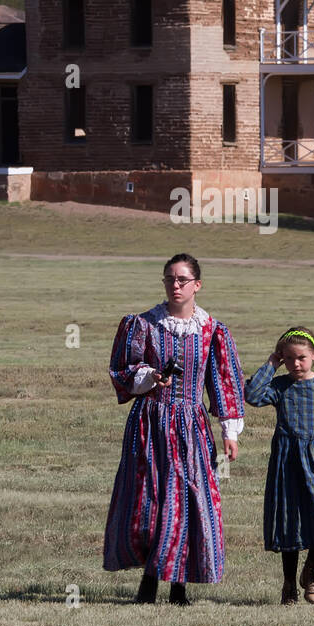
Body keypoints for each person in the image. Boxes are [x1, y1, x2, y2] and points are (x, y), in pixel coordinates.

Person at [103, 253, 246, 605]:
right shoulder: (144, 324)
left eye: (183, 279)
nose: (176, 285)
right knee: (150, 500)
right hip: (149, 421)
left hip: (191, 426)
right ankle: (149, 583)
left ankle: (178, 587)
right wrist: (150, 377)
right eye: (170, 279)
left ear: (198, 284)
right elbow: (122, 371)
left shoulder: (212, 330)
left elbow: (223, 381)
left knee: (187, 500)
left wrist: (230, 430)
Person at [244, 326, 314, 605]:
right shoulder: (281, 386)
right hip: (288, 462)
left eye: (302, 358)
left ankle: (310, 571)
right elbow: (251, 394)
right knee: (290, 524)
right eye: (289, 358)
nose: (296, 364)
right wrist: (271, 364)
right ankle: (288, 585)